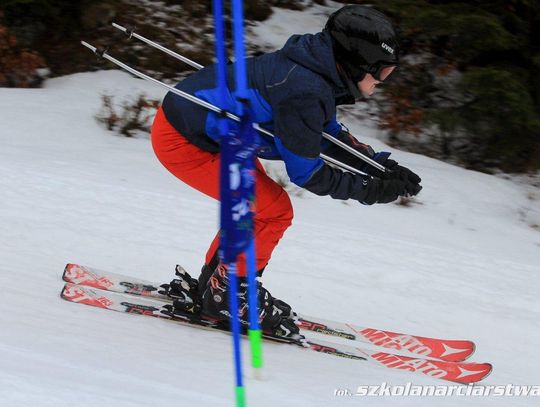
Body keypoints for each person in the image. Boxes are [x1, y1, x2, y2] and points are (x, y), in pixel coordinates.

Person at [151, 5, 422, 338]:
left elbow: (322, 133)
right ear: (357, 63)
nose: (382, 82)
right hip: (186, 141)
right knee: (273, 210)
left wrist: (377, 167)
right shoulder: (305, 90)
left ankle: (218, 287)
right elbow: (308, 173)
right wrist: (370, 189)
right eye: (382, 73)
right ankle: (228, 296)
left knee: (256, 208)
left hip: (216, 135)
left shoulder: (313, 69)